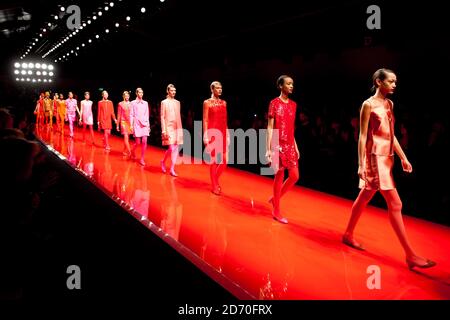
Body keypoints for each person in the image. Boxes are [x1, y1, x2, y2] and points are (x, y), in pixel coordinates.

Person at [342, 68, 436, 270]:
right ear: (378, 82)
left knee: (365, 196)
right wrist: (360, 163)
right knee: (395, 203)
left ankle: (348, 234)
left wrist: (403, 157)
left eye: (395, 81)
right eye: (391, 81)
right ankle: (410, 255)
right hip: (375, 157)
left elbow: (390, 135)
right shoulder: (368, 105)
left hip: (388, 158)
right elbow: (362, 136)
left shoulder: (389, 104)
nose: (394, 84)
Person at [266, 75, 300, 224]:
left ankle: (275, 199)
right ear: (281, 86)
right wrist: (268, 148)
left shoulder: (293, 105)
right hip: (277, 142)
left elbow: (291, 127)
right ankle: (277, 211)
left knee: (294, 176)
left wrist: (296, 146)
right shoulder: (274, 103)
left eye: (292, 83)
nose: (291, 86)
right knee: (279, 175)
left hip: (290, 144)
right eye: (288, 83)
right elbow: (269, 127)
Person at [203, 81, 228, 195]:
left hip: (222, 133)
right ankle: (214, 185)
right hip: (212, 133)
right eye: (217, 88)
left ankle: (215, 180)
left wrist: (227, 134)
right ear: (212, 89)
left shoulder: (224, 103)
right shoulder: (207, 103)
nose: (220, 90)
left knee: (224, 160)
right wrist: (205, 136)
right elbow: (205, 120)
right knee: (213, 161)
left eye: (221, 88)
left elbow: (225, 120)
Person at [160, 84, 183, 177]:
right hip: (168, 127)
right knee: (171, 148)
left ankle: (172, 168)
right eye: (172, 90)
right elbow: (162, 116)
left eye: (175, 90)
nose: (174, 92)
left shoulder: (178, 102)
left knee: (176, 148)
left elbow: (178, 116)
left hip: (177, 126)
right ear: (168, 91)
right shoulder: (164, 102)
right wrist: (163, 129)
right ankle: (163, 161)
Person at [130, 88, 150, 166]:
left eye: (142, 92)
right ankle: (132, 150)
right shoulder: (133, 103)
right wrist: (131, 125)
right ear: (136, 93)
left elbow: (147, 115)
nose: (141, 94)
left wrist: (148, 125)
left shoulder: (145, 103)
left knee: (144, 141)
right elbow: (131, 114)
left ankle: (142, 158)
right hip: (137, 124)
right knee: (138, 142)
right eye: (139, 92)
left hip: (144, 123)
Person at [117, 91, 133, 158]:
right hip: (123, 122)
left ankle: (124, 150)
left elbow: (132, 114)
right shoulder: (120, 104)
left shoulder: (131, 104)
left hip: (129, 122)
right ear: (123, 96)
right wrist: (117, 125)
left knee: (127, 138)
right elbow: (119, 115)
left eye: (128, 96)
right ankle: (130, 152)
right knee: (126, 137)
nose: (127, 97)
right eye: (125, 96)